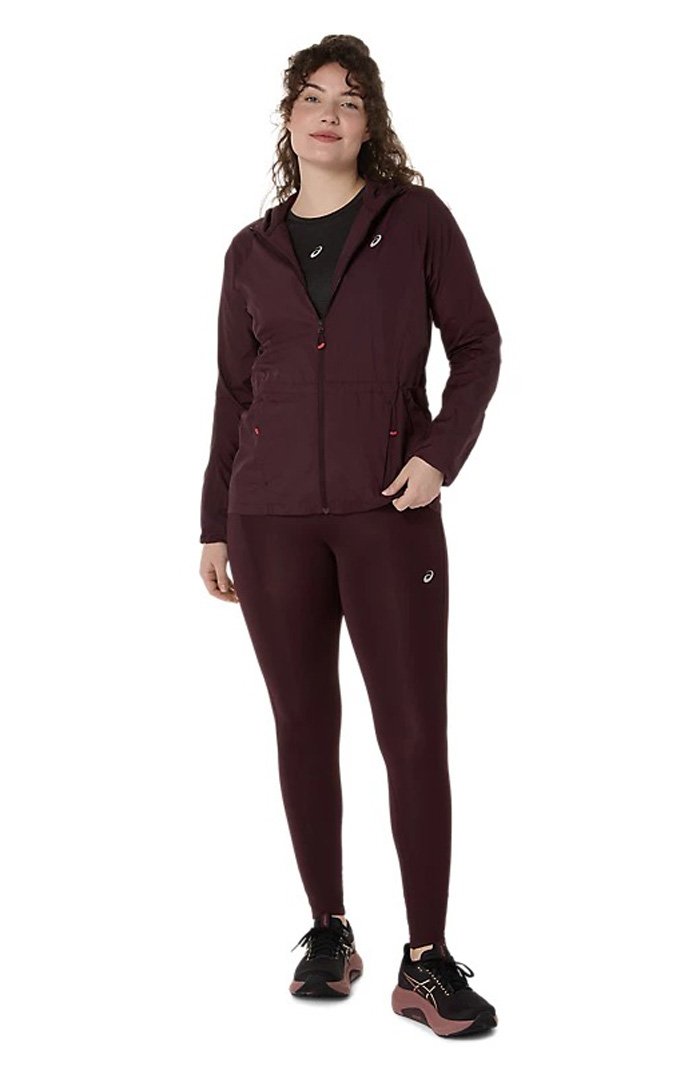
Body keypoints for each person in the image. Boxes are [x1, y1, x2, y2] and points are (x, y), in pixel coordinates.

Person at [198, 35, 501, 1038]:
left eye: (351, 99)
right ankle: (328, 929)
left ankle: (426, 959)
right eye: (313, 97)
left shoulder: (414, 221)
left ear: (372, 124)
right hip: (269, 516)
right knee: (302, 724)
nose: (329, 113)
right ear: (288, 118)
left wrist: (440, 453)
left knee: (412, 730)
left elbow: (477, 345)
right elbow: (234, 392)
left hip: (388, 513)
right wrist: (212, 522)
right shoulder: (249, 251)